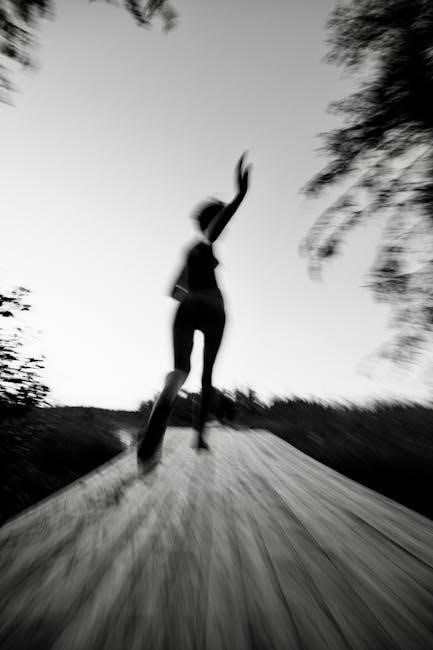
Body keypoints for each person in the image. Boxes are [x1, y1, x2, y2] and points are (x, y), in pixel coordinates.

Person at [137, 153, 251, 464]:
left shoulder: (189, 253)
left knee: (180, 370)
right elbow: (214, 232)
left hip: (188, 304)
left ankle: (161, 411)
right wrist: (240, 195)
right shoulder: (205, 243)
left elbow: (174, 291)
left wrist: (190, 290)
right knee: (206, 375)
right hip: (214, 306)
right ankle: (199, 436)